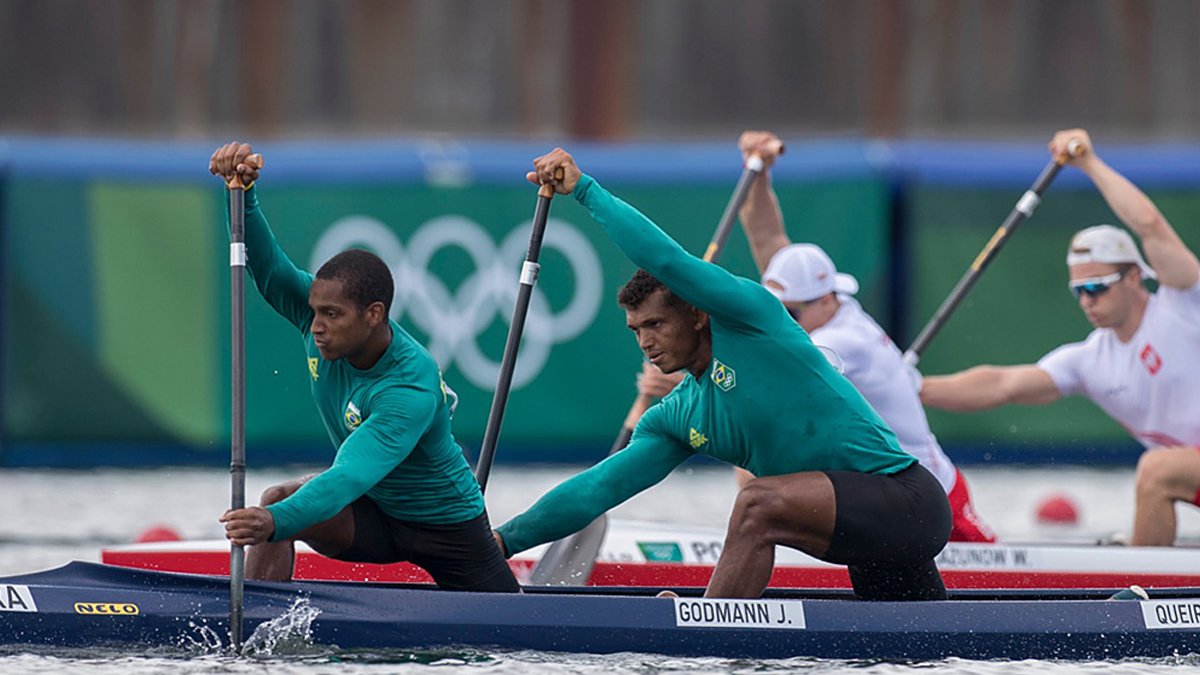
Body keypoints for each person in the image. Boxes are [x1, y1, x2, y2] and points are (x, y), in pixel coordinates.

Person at [495, 148, 952, 601]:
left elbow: (667, 261)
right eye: (635, 331)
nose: (645, 342)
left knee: (756, 503)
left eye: (655, 325)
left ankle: (709, 626)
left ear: (696, 314)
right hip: (859, 535)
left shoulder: (751, 321)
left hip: (908, 502)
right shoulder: (674, 417)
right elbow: (599, 487)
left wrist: (586, 191)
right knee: (916, 647)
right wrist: (499, 543)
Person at [210, 142, 519, 592]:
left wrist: (271, 523)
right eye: (314, 311)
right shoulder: (317, 318)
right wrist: (242, 194)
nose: (315, 326)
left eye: (332, 315)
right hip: (372, 514)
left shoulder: (409, 386)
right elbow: (271, 272)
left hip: (448, 528)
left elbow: (348, 474)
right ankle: (256, 618)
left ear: (373, 314)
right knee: (281, 496)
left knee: (508, 619)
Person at [920, 129, 1200, 547]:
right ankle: (1145, 579)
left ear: (1134, 276)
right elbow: (1002, 385)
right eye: (1078, 291)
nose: (1087, 300)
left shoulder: (1183, 303)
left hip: (1177, 467)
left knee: (1155, 470)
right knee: (1159, 472)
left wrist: (1089, 163)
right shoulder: (1089, 361)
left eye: (1098, 287)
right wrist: (913, 387)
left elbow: (1150, 224)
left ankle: (1146, 589)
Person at [721, 130, 994, 543]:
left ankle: (754, 543)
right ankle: (757, 540)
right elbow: (767, 238)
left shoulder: (842, 342)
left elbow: (772, 387)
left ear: (827, 299)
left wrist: (692, 371)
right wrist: (757, 174)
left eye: (791, 313)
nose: (784, 321)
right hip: (889, 489)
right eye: (777, 310)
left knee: (757, 450)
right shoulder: (825, 304)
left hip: (931, 497)